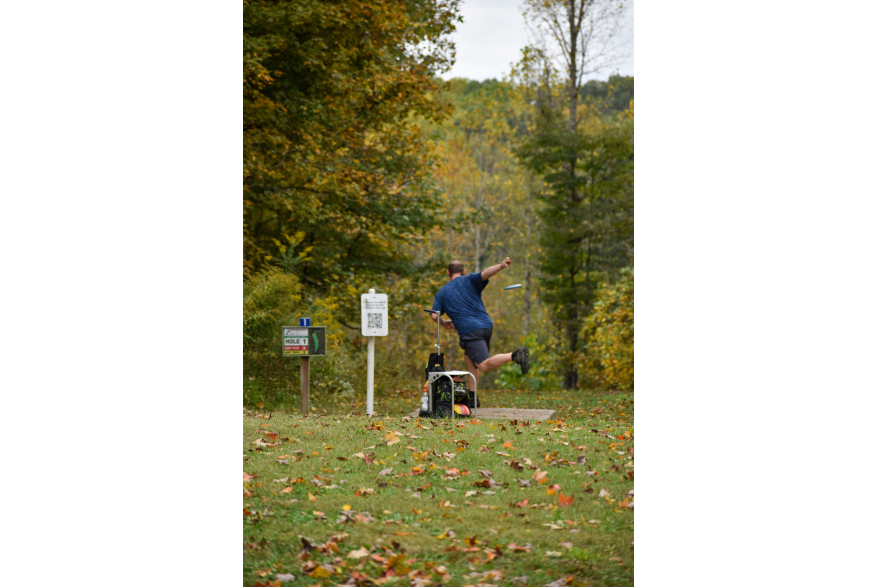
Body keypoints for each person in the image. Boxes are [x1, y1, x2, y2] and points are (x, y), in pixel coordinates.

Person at [430, 258, 529, 394]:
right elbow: (485, 274)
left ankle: (516, 355)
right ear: (463, 272)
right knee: (470, 360)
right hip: (486, 325)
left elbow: (434, 316)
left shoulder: (441, 293)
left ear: (448, 273)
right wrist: (501, 265)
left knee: (483, 365)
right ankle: (472, 397)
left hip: (470, 330)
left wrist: (445, 323)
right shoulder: (470, 279)